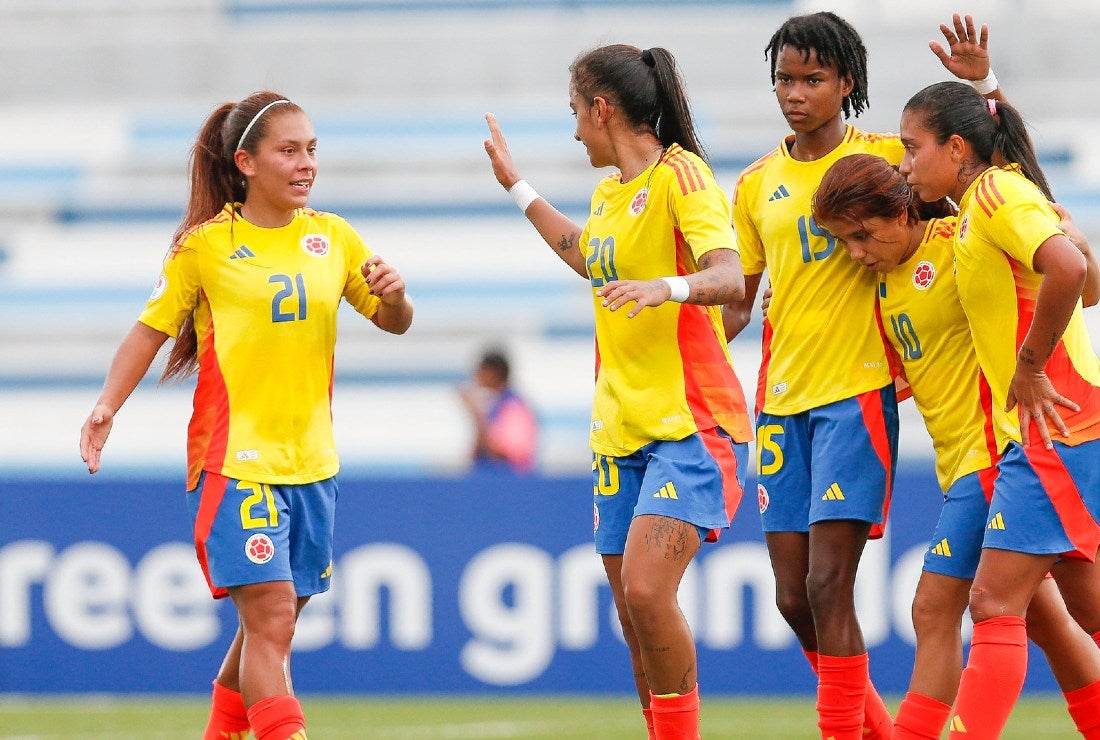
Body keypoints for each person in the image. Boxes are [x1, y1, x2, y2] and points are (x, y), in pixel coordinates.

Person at [78, 91, 414, 740]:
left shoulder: (333, 236)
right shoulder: (206, 247)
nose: (306, 163)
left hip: (313, 464)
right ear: (246, 163)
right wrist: (106, 406)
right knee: (273, 619)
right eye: (289, 150)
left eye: (312, 149)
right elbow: (149, 330)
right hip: (234, 462)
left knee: (276, 621)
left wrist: (396, 298)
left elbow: (391, 321)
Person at [719, 13, 1004, 739]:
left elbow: (988, 192)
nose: (795, 93)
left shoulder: (888, 159)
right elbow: (739, 302)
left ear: (847, 82)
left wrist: (985, 91)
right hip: (781, 404)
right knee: (791, 599)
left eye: (813, 78)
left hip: (857, 397)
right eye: (784, 79)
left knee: (828, 584)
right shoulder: (754, 184)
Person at [897, 82, 1100, 739]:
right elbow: (1078, 270)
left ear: (957, 147)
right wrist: (987, 85)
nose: (906, 164)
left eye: (914, 148)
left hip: (1059, 423)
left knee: (993, 600)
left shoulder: (994, 195)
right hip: (1069, 422)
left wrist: (1028, 366)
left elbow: (1070, 271)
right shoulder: (987, 200)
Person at [812, 153, 1100, 739]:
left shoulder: (958, 243)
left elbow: (1058, 278)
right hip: (961, 460)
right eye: (844, 242)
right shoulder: (882, 281)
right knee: (1048, 619)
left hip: (993, 454)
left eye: (862, 235)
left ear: (902, 212)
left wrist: (1076, 249)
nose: (855, 252)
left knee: (933, 607)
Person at [483, 44, 752, 740]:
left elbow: (729, 276)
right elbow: (587, 255)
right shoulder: (609, 195)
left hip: (691, 424)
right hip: (620, 429)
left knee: (646, 591)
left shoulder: (682, 175)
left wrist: (667, 286)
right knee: (634, 618)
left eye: (576, 112)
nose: (575, 130)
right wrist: (517, 187)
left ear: (601, 109)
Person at [458, 347, 539, 474]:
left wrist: (475, 414)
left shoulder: (514, 407)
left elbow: (505, 454)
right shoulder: (495, 405)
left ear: (495, 373)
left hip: (507, 481)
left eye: (482, 371)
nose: (477, 376)